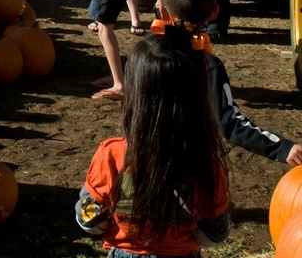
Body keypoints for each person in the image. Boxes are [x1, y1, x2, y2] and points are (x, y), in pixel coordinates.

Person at [76, 30, 230, 256]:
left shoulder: (111, 154)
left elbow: (88, 218)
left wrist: (99, 220)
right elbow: (215, 232)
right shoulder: (206, 163)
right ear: (195, 98)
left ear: (135, 96)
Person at [159, 0, 302, 165]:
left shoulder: (141, 54)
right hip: (186, 168)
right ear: (215, 12)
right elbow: (229, 123)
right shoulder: (208, 66)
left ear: (163, 10)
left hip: (138, 162)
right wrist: (283, 148)